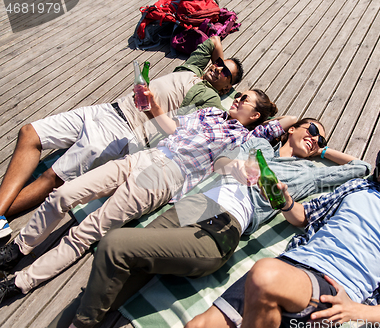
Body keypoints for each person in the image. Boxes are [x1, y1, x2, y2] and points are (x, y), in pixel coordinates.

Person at [44, 118, 371, 328]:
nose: (314, 138)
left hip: (226, 224)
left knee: (114, 246)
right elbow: (222, 162)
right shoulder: (258, 146)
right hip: (196, 205)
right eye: (311, 130)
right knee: (125, 269)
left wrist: (324, 151)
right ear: (293, 129)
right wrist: (237, 169)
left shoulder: (309, 173)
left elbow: (362, 168)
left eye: (320, 139)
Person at [0, 89, 295, 306]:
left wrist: (242, 167)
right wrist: (153, 105)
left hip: (167, 176)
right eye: (240, 94)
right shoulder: (209, 113)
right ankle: (19, 248)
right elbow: (173, 129)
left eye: (246, 100)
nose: (239, 98)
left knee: (89, 229)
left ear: (255, 116)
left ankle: (20, 282)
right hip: (145, 157)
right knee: (63, 194)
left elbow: (276, 127)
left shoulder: (243, 138)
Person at [179, 131, 380, 328]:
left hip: (331, 290)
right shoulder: (358, 187)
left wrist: (356, 310)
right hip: (293, 266)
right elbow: (304, 216)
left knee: (265, 275)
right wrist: (283, 202)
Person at [0, 35, 243, 236]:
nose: (219, 68)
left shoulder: (210, 101)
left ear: (227, 89)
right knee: (29, 132)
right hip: (107, 109)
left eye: (225, 74)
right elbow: (213, 41)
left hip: (123, 131)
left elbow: (202, 129)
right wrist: (220, 60)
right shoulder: (191, 68)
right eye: (219, 64)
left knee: (52, 176)